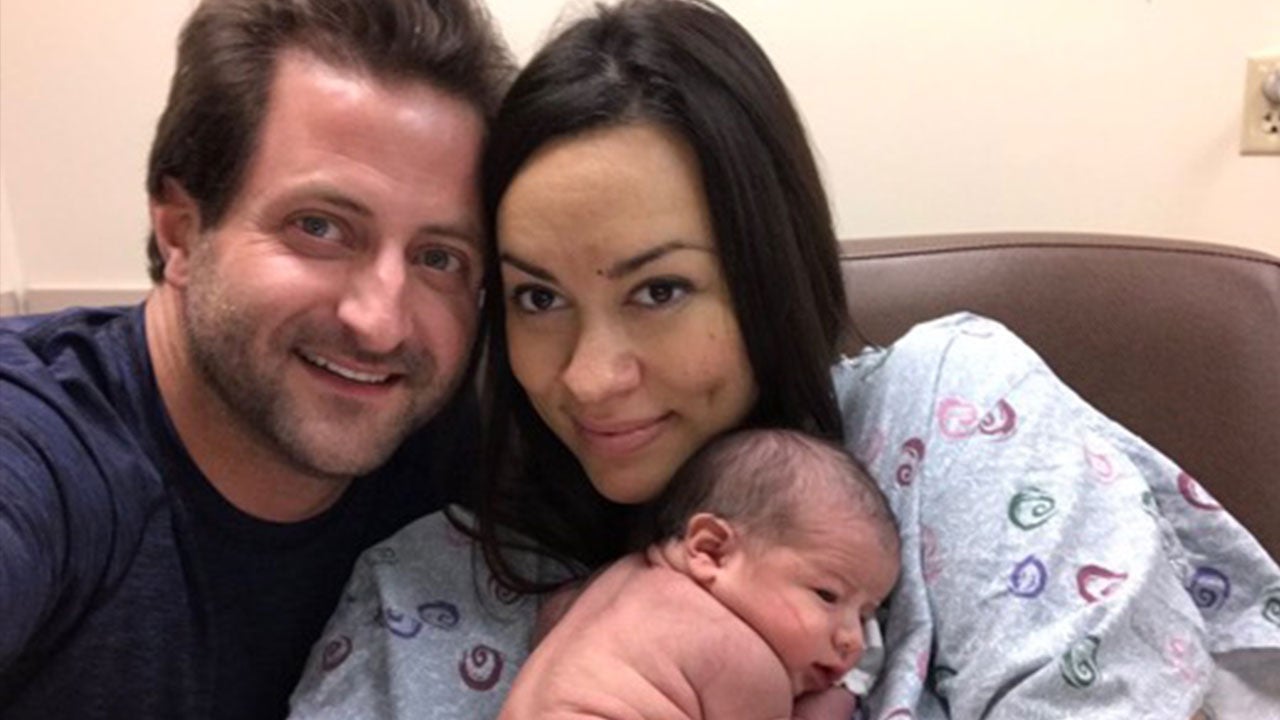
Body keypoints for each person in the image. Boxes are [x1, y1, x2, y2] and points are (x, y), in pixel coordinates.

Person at [293, 1, 1280, 718]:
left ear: (772, 270)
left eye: (659, 289)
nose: (591, 377)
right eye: (538, 298)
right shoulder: (426, 592)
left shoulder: (946, 419)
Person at [0, 1, 513, 718]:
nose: (380, 325)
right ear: (180, 231)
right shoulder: (43, 445)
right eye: (319, 227)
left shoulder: (463, 463)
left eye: (439, 257)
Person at [499, 428, 901, 719]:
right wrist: (838, 700)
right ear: (711, 551)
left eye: (865, 615)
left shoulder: (618, 578)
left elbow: (550, 620)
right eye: (827, 596)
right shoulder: (746, 663)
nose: (854, 641)